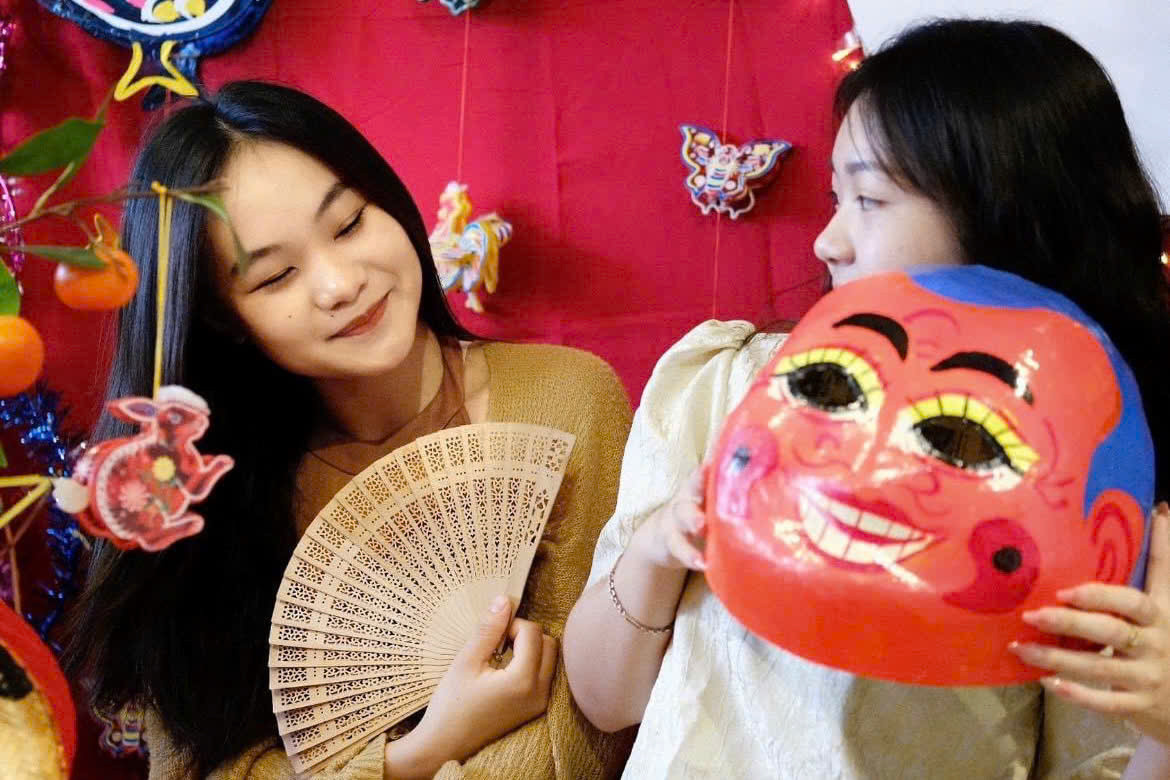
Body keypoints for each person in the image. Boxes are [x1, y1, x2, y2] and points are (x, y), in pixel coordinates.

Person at [563, 18, 1170, 778]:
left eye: (869, 199)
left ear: (1005, 213)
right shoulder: (730, 383)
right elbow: (605, 701)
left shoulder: (1092, 473)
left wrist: (1164, 726)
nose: (828, 241)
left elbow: (1092, 763)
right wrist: (658, 547)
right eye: (835, 195)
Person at [61, 81, 636, 779]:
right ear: (221, 318)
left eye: (349, 223)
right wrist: (420, 753)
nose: (339, 284)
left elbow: (586, 735)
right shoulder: (201, 500)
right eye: (276, 276)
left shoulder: (568, 401)